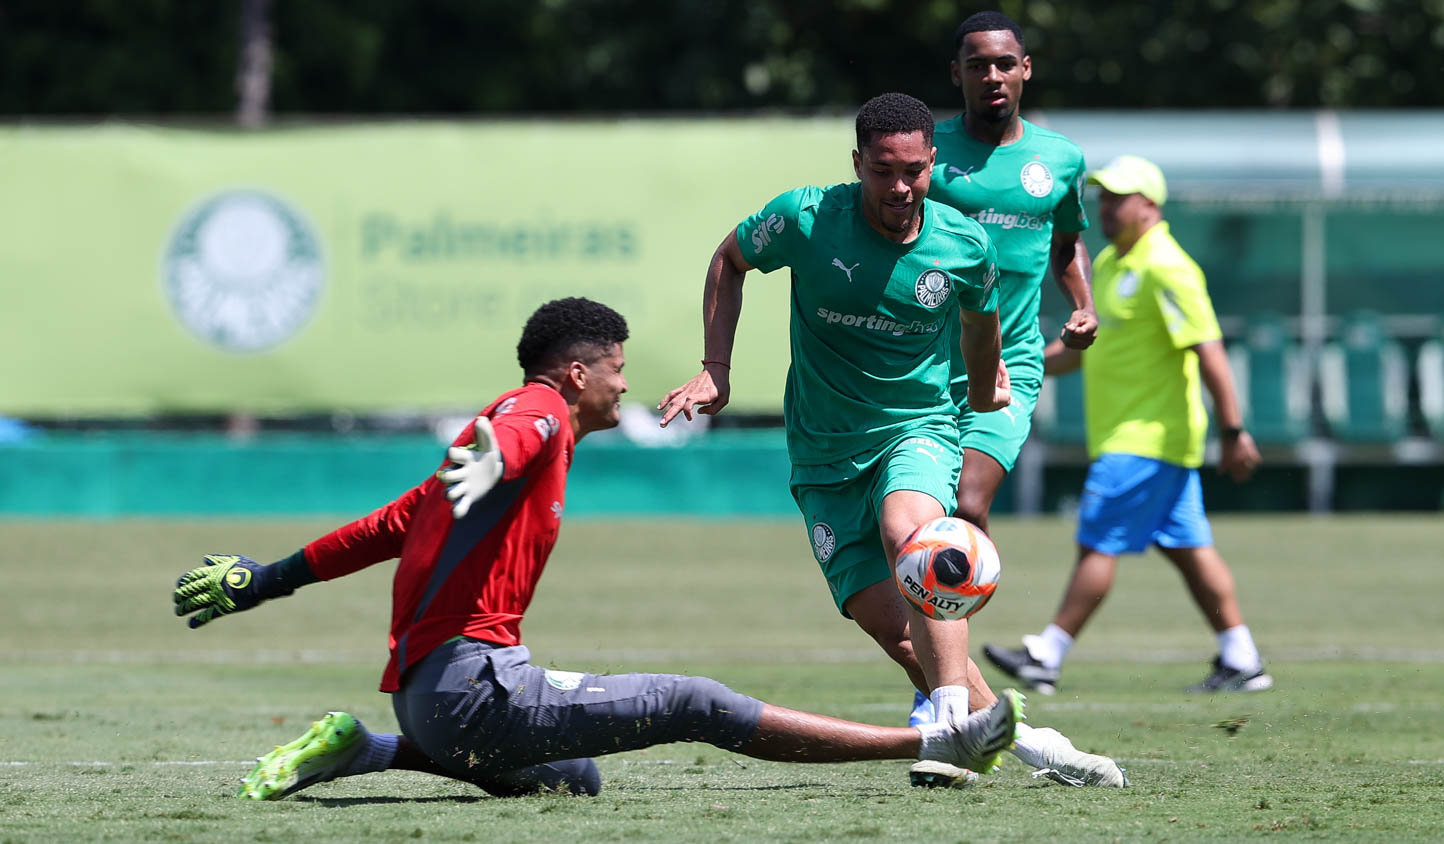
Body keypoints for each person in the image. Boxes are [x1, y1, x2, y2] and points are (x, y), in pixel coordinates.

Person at [171, 296, 1026, 800]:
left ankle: (365, 751)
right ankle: (934, 743)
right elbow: (515, 432)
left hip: (428, 705)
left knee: (576, 779)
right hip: (474, 691)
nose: (626, 381)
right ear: (580, 374)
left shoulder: (491, 456)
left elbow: (381, 531)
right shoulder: (537, 415)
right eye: (617, 366)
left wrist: (265, 581)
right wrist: (494, 454)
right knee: (695, 701)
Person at [656, 93, 1125, 788]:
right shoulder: (806, 218)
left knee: (918, 537)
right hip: (821, 452)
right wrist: (715, 369)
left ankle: (941, 733)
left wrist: (985, 383)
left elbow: (981, 322)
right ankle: (1031, 745)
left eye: (914, 170)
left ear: (931, 162)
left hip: (918, 428)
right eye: (883, 172)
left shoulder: (963, 244)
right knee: (900, 633)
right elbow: (730, 260)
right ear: (858, 165)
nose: (901, 187)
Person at [982, 156, 1273, 695]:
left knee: (1098, 543)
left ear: (1150, 205)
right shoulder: (1115, 265)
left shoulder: (1167, 265)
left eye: (1119, 198)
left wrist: (1233, 431)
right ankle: (1242, 657)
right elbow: (1081, 354)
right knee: (1189, 549)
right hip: (1140, 438)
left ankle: (1047, 654)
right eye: (1103, 197)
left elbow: (1208, 349)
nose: (1107, 208)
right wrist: (1017, 367)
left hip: (1146, 438)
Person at [909, 9, 1099, 726]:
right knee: (920, 523)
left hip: (1010, 365)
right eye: (976, 64)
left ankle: (938, 700)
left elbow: (1067, 243)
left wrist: (1081, 303)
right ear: (956, 74)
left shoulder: (1062, 159)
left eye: (1004, 63)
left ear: (1026, 70)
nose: (991, 75)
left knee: (968, 505)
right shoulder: (929, 152)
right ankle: (943, 691)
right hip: (927, 366)